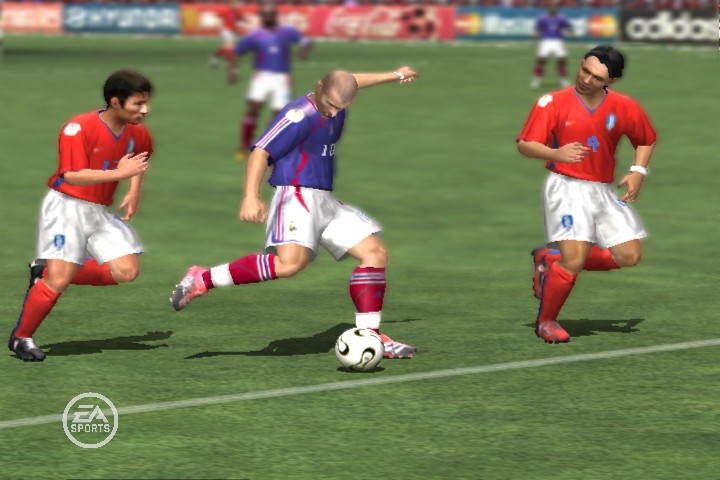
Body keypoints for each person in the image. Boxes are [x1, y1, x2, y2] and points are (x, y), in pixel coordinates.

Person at [171, 67, 420, 358]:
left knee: (375, 253)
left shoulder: (337, 97)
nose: (332, 112)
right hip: (296, 197)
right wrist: (251, 196)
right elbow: (260, 152)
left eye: (340, 107)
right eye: (330, 104)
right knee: (289, 265)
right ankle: (202, 279)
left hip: (324, 200)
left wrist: (396, 75)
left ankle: (371, 336)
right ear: (318, 87)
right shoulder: (298, 116)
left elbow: (353, 81)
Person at [9, 70, 154, 361]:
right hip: (66, 207)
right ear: (116, 102)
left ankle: (44, 270)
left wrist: (134, 190)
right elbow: (72, 175)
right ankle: (21, 338)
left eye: (146, 102)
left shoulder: (137, 131)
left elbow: (139, 159)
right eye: (138, 104)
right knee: (59, 281)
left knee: (127, 271)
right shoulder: (78, 128)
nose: (145, 110)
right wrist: (119, 174)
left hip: (99, 209)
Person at [516, 45, 657, 344]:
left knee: (629, 256)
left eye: (597, 77)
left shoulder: (625, 106)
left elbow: (646, 139)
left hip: (602, 189)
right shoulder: (552, 102)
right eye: (585, 70)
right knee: (574, 261)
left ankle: (550, 259)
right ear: (581, 64)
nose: (586, 79)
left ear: (611, 81)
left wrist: (637, 171)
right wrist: (555, 153)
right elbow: (525, 144)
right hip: (565, 187)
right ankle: (546, 321)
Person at [233, 3, 312, 161]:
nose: (268, 17)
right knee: (253, 109)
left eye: (270, 14)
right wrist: (233, 70)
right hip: (261, 77)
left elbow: (306, 41)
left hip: (282, 78)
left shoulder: (287, 32)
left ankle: (267, 147)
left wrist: (304, 51)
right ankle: (243, 146)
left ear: (276, 16)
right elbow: (237, 52)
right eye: (265, 15)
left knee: (279, 115)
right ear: (261, 17)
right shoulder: (255, 35)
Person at [531, 1, 574, 89]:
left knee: (561, 60)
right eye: (551, 6)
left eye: (555, 6)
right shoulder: (543, 18)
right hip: (546, 41)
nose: (553, 8)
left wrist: (572, 34)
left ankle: (563, 80)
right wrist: (534, 39)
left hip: (558, 41)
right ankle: (536, 79)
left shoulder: (561, 18)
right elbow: (537, 29)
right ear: (548, 7)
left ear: (557, 8)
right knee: (541, 60)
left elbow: (568, 27)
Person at [211, 0, 244, 85]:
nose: (237, 5)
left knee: (226, 48)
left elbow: (241, 18)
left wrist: (246, 21)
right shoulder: (225, 10)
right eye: (235, 3)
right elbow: (216, 16)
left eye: (237, 3)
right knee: (231, 47)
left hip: (234, 31)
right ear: (230, 4)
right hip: (226, 31)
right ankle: (232, 67)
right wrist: (217, 24)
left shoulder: (236, 11)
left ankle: (215, 56)